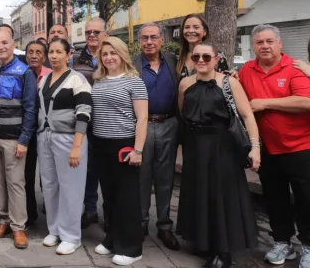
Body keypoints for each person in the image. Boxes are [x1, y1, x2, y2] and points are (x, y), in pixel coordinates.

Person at [178, 43, 260, 268]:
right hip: (195, 146)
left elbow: (247, 115)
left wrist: (255, 147)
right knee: (199, 192)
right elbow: (183, 113)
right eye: (196, 56)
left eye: (206, 56)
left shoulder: (229, 82)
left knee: (222, 194)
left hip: (222, 146)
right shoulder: (185, 84)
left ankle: (223, 250)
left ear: (216, 59)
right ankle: (203, 241)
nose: (201, 60)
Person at [238, 24, 310, 266]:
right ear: (253, 46)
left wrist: (266, 103)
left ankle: (308, 246)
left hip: (301, 147)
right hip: (267, 148)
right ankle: (282, 242)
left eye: (270, 41)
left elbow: (306, 102)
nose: (265, 46)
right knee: (275, 199)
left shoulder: (295, 68)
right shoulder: (247, 70)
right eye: (259, 42)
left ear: (280, 44)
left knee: (306, 199)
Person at [91, 37, 148, 266]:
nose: (109, 58)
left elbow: (142, 118)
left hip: (124, 144)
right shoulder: (99, 80)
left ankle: (132, 248)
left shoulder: (134, 81)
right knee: (110, 196)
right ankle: (113, 238)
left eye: (113, 53)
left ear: (122, 54)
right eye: (105, 54)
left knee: (127, 198)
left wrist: (138, 150)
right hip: (101, 144)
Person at [0, 29, 37, 249]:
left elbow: (31, 109)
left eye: (5, 42)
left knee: (15, 183)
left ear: (13, 44)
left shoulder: (24, 72)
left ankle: (18, 227)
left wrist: (24, 140)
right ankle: (3, 220)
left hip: (14, 138)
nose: (1, 47)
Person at [37, 38, 92, 256]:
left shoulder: (77, 79)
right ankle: (55, 229)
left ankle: (71, 236)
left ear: (69, 55)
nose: (54, 56)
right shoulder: (45, 78)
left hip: (69, 138)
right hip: (46, 137)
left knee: (71, 187)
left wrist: (77, 145)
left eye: (59, 52)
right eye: (51, 52)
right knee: (50, 185)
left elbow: (84, 112)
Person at [132, 23, 180, 250]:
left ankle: (164, 225)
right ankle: (141, 222)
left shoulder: (173, 61)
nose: (149, 42)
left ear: (162, 39)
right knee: (141, 176)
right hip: (142, 125)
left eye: (153, 37)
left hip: (168, 124)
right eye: (144, 38)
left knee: (165, 177)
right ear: (139, 41)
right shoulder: (132, 64)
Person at [72, 17, 109, 230]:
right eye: (88, 32)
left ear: (106, 33)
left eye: (96, 32)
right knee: (87, 170)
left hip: (109, 123)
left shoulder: (112, 55)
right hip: (84, 124)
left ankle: (109, 212)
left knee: (108, 170)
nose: (92, 36)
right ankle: (90, 210)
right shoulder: (75, 58)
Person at [24, 40, 51, 226]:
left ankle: (52, 212)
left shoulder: (51, 75)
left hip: (47, 131)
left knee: (48, 175)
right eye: (30, 52)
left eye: (38, 52)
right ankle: (29, 214)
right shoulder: (22, 74)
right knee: (26, 175)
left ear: (44, 56)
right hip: (27, 132)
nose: (34, 56)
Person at [176, 14, 230, 78]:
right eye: (187, 27)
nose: (191, 31)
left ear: (205, 32)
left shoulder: (217, 56)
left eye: (196, 27)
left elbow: (225, 80)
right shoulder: (177, 55)